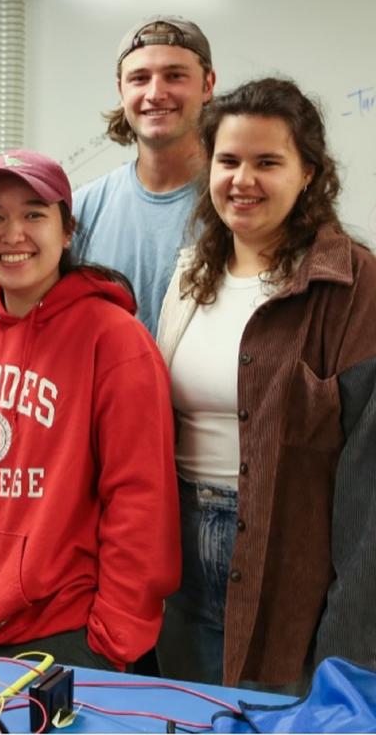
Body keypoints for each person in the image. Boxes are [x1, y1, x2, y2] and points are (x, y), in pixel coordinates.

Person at [0, 150, 179, 670]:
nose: (13, 233)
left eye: (34, 213)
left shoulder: (115, 339)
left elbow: (140, 499)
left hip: (61, 637)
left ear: (66, 231)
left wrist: (111, 641)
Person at [155, 77, 376, 690]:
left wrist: (352, 635)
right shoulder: (190, 274)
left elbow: (369, 485)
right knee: (188, 713)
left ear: (308, 172)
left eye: (267, 162)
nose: (242, 180)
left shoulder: (354, 286)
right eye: (228, 160)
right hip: (177, 553)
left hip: (287, 565)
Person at [72, 15, 216, 336]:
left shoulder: (237, 203)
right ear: (121, 91)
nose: (155, 93)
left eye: (174, 76)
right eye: (139, 78)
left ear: (207, 85)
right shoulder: (82, 211)